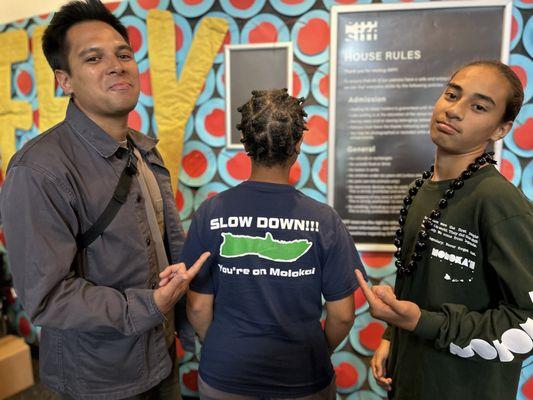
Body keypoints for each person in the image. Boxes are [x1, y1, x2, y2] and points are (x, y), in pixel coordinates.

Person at [0, 0, 209, 398]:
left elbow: (169, 247)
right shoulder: (39, 170)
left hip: (162, 357)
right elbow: (47, 298)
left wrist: (187, 317)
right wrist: (148, 305)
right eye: (93, 58)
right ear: (65, 81)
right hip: (99, 380)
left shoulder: (144, 151)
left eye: (124, 54)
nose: (116, 65)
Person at [163, 89, 365, 399]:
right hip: (303, 376)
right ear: (298, 143)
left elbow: (198, 305)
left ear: (245, 144)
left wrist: (221, 345)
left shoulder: (211, 212)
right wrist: (316, 349)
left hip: (226, 375)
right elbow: (342, 315)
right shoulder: (324, 220)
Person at [355, 60, 533, 399]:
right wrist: (393, 335)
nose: (455, 111)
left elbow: (527, 322)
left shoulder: (498, 202)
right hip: (411, 379)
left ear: (501, 129)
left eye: (479, 107)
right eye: (452, 95)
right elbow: (416, 281)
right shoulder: (421, 189)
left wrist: (420, 322)